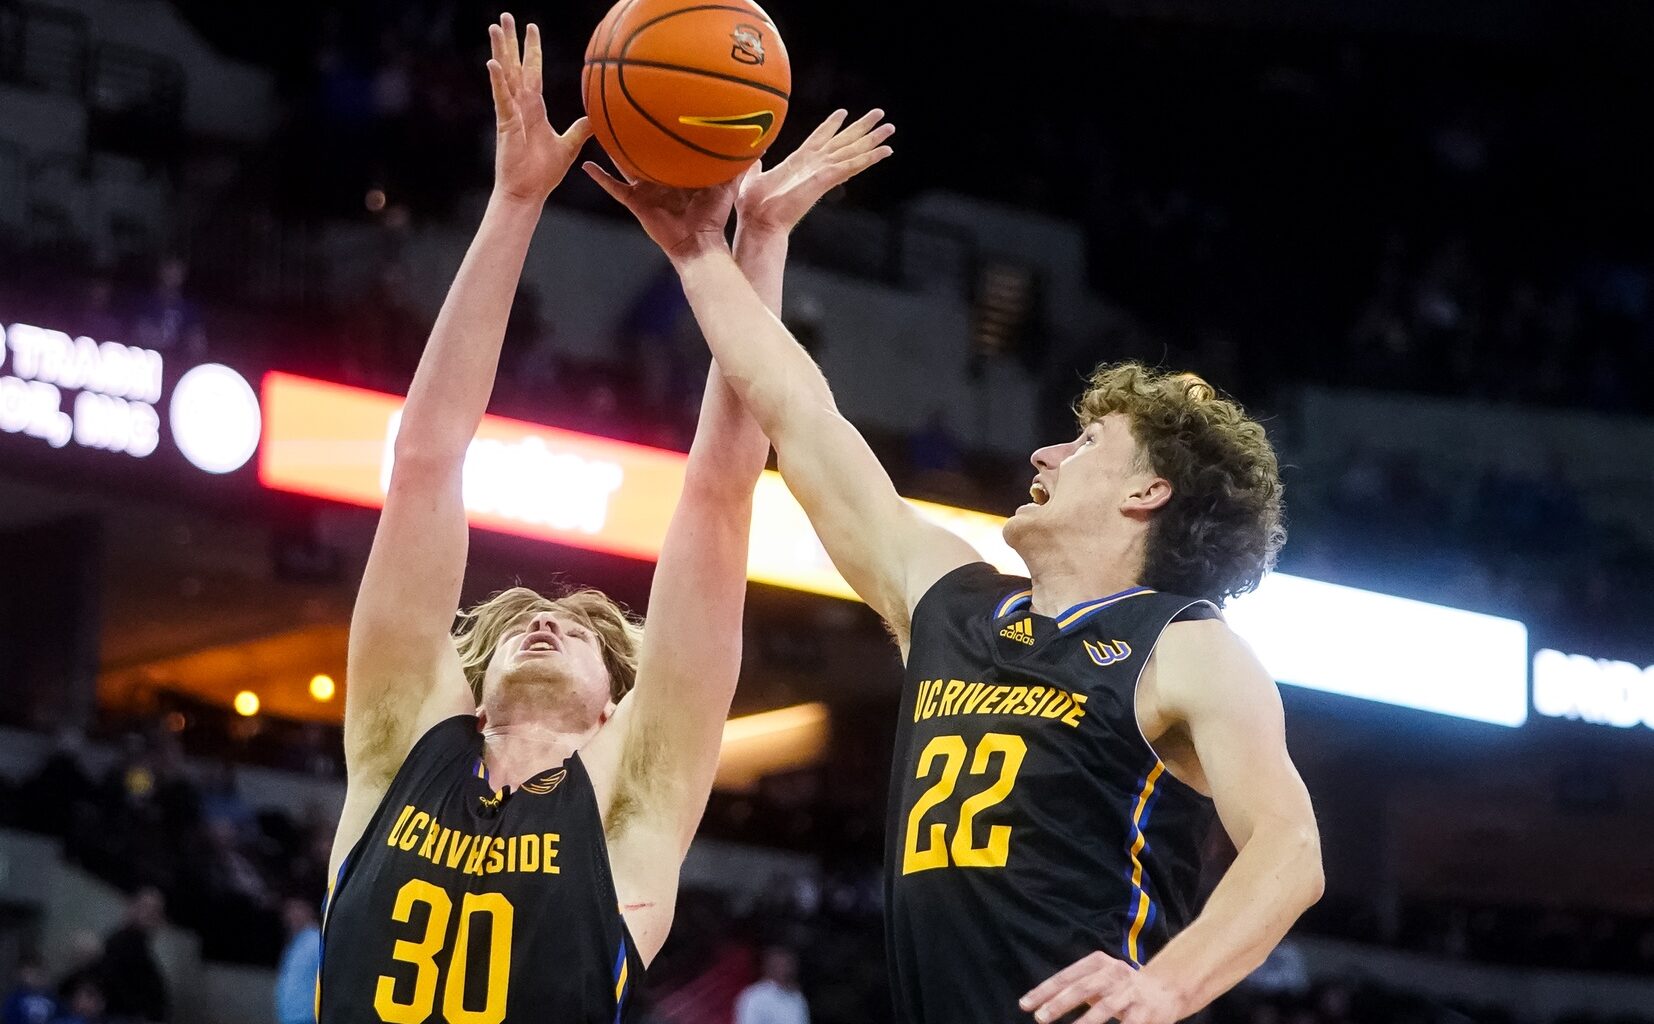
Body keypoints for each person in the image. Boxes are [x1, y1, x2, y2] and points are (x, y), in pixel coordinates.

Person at [592, 130, 1325, 1024]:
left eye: (1087, 442)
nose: (1045, 453)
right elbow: (801, 415)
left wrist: (1168, 985)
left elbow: (1290, 848)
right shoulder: (953, 600)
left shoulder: (1185, 648)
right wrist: (703, 254)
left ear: (1147, 491)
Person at [317, 15, 893, 1024]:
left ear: (609, 710)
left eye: (579, 634)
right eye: (522, 627)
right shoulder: (397, 749)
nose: (545, 620)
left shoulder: (634, 812)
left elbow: (718, 501)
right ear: (469, 691)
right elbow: (425, 462)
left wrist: (755, 245)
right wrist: (514, 201)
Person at [99, 887, 167, 1023]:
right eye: (143, 907)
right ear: (131, 907)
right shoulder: (115, 945)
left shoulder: (145, 960)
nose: (147, 914)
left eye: (154, 911)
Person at [274, 898, 321, 1024]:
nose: (291, 916)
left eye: (296, 910)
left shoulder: (316, 940)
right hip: (290, 1016)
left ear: (308, 911)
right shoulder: (295, 942)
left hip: (307, 1017)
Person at [733, 947, 809, 1024]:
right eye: (779, 965)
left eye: (788, 964)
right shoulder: (754, 996)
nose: (785, 970)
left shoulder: (797, 997)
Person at [1, 954, 56, 1024]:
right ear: (21, 976)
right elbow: (10, 1017)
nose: (35, 977)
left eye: (39, 973)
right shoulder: (16, 999)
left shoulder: (52, 997)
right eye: (30, 973)